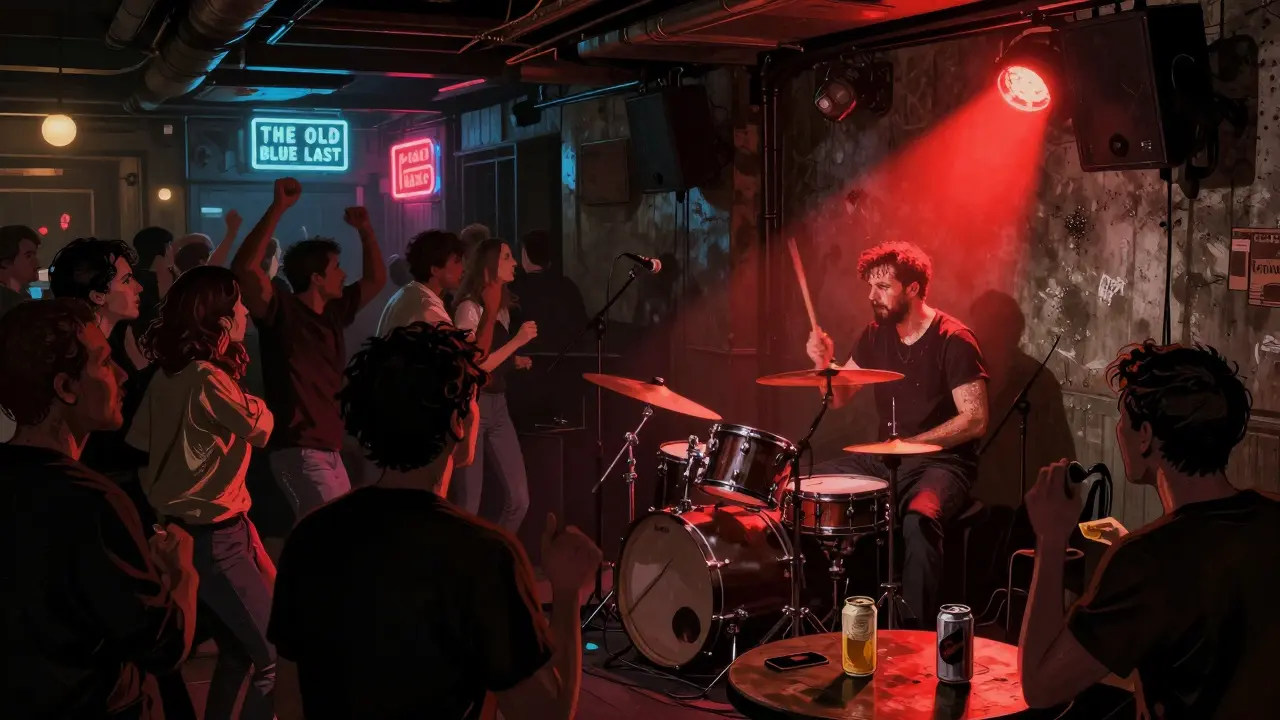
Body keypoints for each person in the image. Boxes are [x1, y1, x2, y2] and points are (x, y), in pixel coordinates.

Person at [267, 322, 600, 720]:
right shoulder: (485, 555)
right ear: (457, 423)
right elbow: (546, 715)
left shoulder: (310, 537)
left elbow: (288, 703)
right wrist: (565, 592)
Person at [1019, 341, 1279, 717]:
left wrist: (1050, 538)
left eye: (1122, 418)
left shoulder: (1144, 561)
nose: (1118, 430)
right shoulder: (1271, 518)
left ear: (1145, 436)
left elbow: (1041, 687)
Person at [0, 298, 199, 719]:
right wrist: (182, 573)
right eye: (106, 362)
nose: (123, 375)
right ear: (66, 388)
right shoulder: (93, 501)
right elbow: (163, 646)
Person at [806, 241, 988, 624]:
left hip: (943, 463)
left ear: (914, 288)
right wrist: (825, 365)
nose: (873, 296)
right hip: (887, 458)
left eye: (883, 287)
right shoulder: (875, 335)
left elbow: (974, 418)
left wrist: (913, 445)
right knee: (808, 487)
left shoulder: (953, 339)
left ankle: (916, 636)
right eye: (870, 287)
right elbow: (841, 396)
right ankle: (824, 611)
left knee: (919, 520)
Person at [128, 265, 278, 720]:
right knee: (274, 659)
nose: (247, 311)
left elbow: (140, 444)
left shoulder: (167, 376)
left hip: (197, 532)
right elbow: (261, 427)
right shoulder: (208, 378)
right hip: (220, 537)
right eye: (238, 305)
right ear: (219, 319)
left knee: (237, 649)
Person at [230, 177, 386, 524]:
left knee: (324, 538)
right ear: (316, 277)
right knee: (332, 536)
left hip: (328, 448)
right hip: (297, 449)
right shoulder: (281, 310)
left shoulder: (333, 312)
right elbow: (243, 269)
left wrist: (365, 230)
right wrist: (278, 208)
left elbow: (376, 280)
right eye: (336, 268)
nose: (344, 275)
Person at [451, 238, 538, 532]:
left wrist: (511, 361)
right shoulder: (469, 308)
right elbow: (474, 367)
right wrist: (516, 343)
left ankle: (493, 555)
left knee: (519, 499)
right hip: (472, 406)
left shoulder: (501, 308)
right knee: (469, 504)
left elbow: (490, 358)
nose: (514, 262)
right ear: (489, 265)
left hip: (498, 405)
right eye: (507, 256)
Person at [509, 229, 587, 354]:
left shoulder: (514, 289)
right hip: (565, 359)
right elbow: (581, 328)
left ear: (525, 254)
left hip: (526, 362)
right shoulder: (568, 286)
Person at [375, 229, 466, 335]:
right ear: (435, 270)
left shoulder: (407, 294)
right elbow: (458, 350)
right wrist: (489, 313)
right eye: (456, 261)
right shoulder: (428, 307)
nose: (463, 268)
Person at [0, 224, 41, 317]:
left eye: (35, 255)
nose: (36, 263)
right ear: (6, 261)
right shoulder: (11, 306)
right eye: (28, 256)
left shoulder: (17, 300)